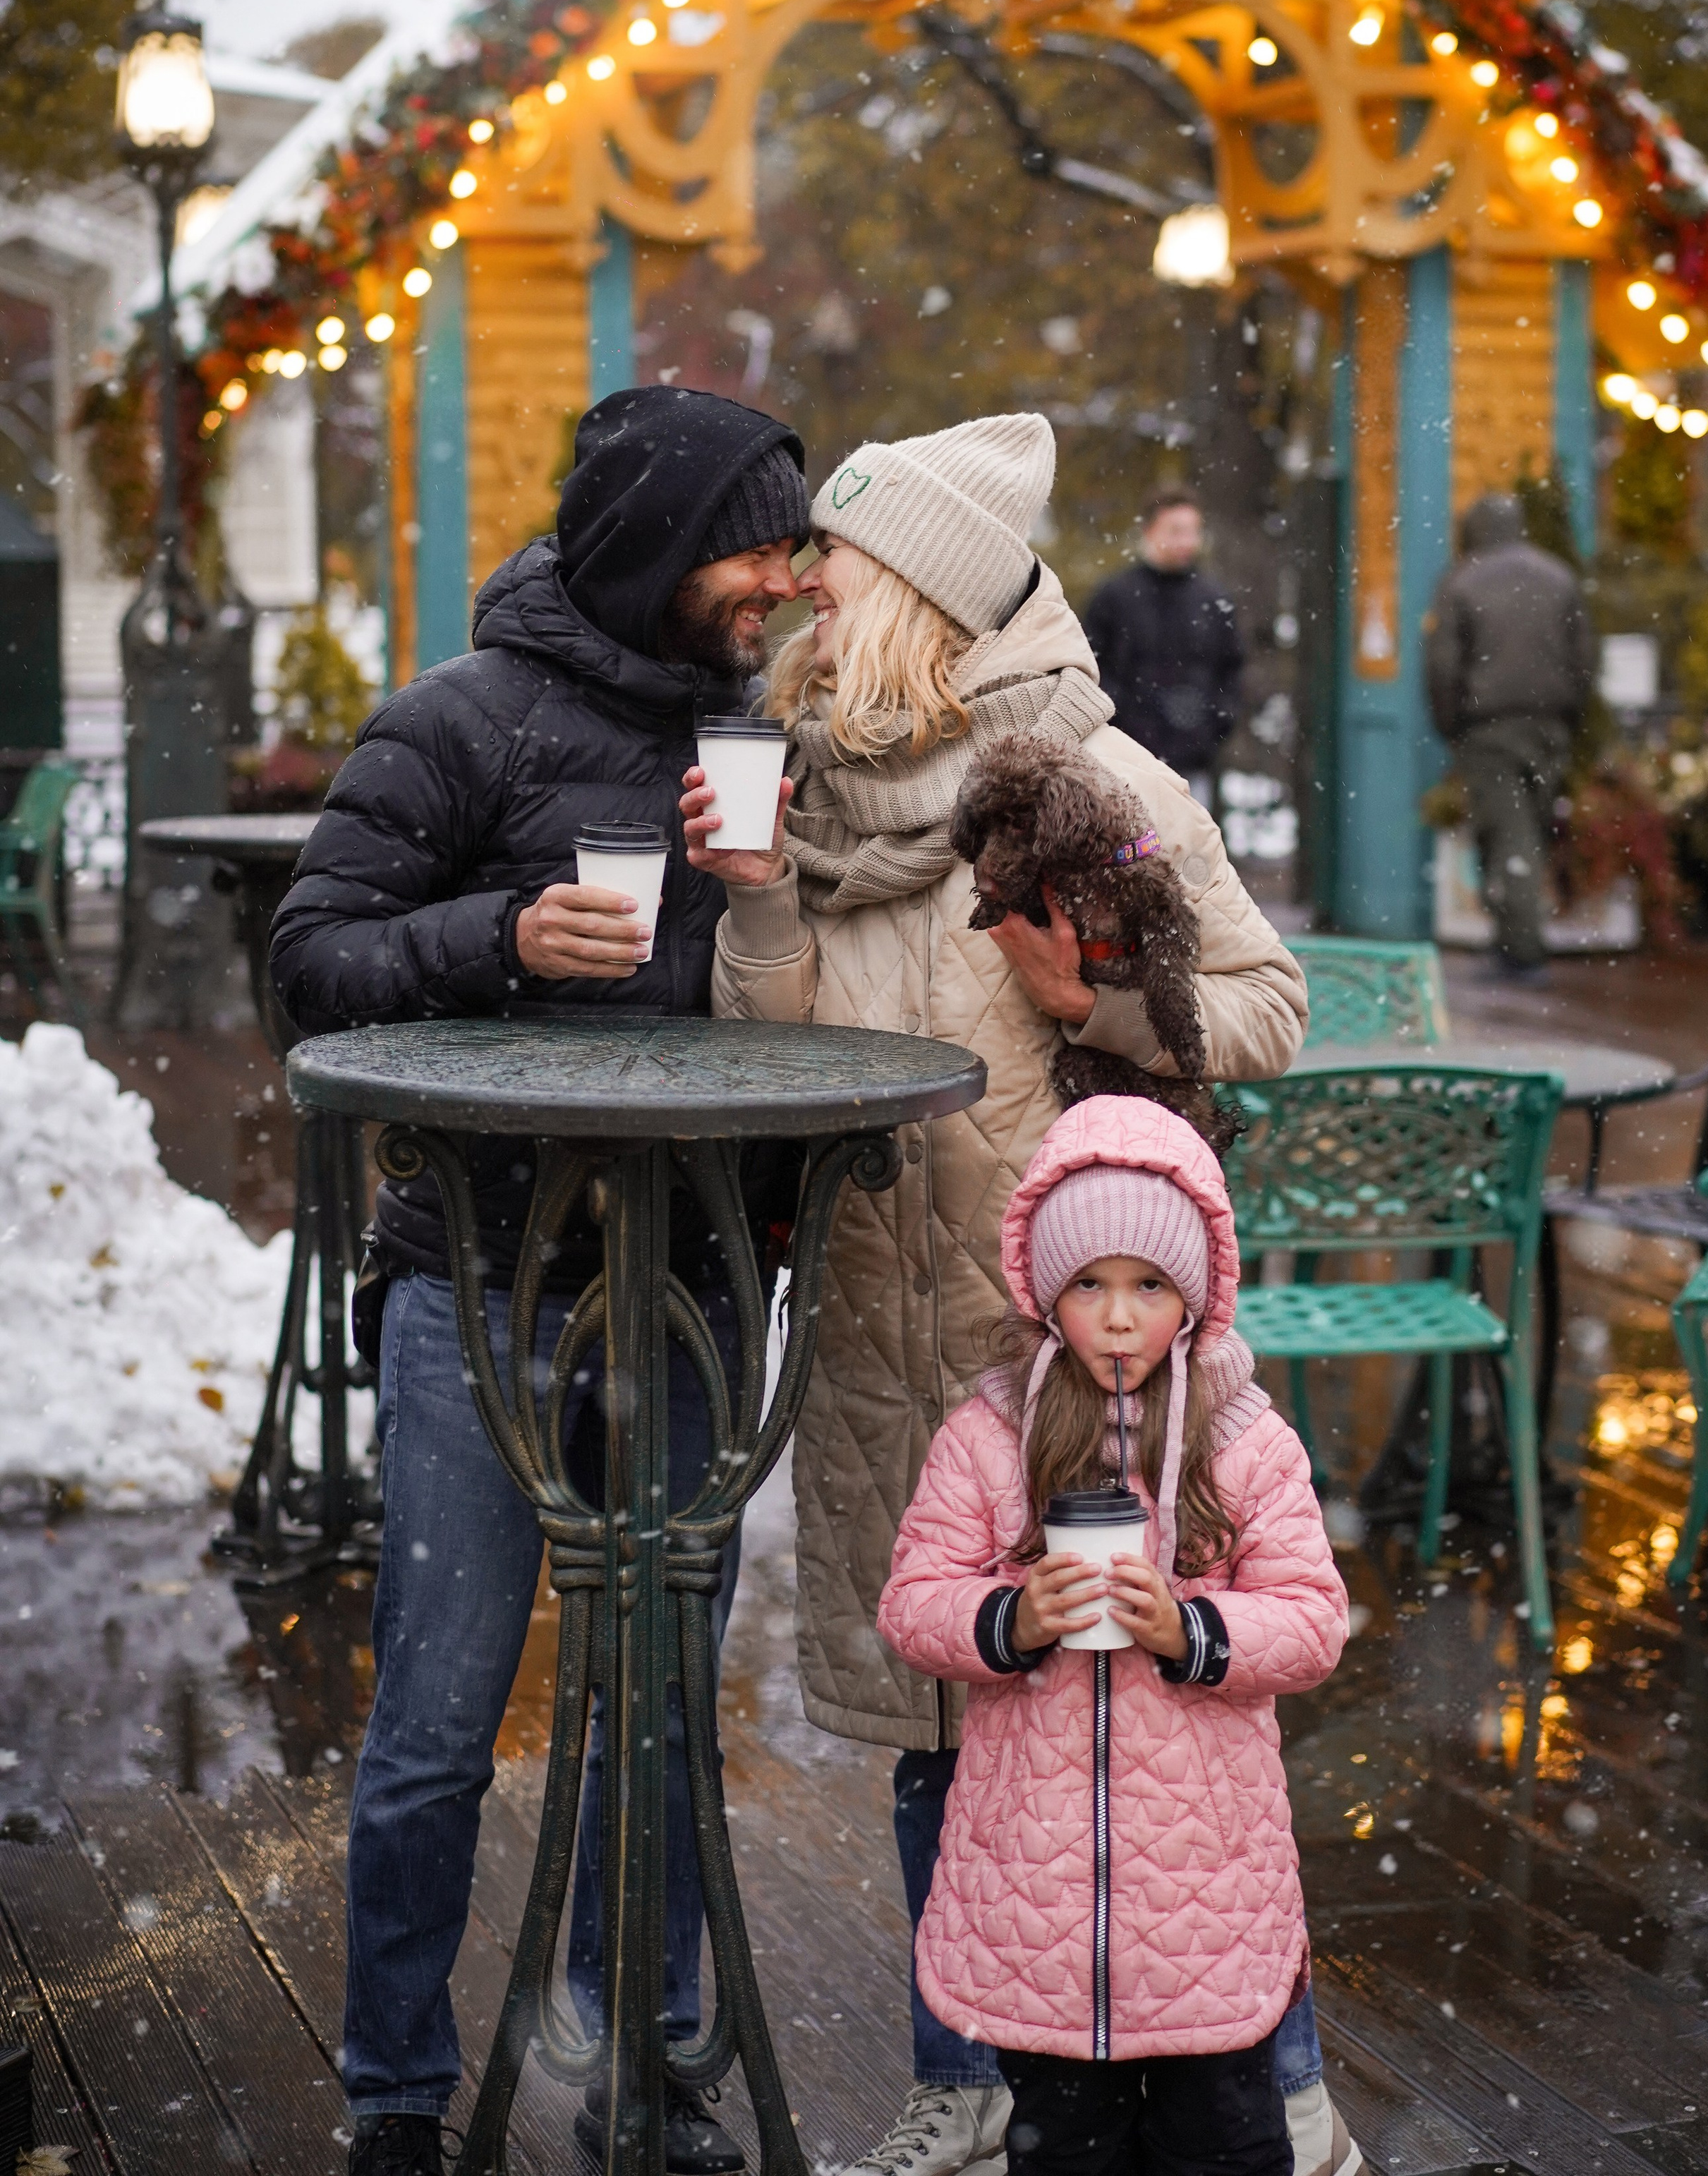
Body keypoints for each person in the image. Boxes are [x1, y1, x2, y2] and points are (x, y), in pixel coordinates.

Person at [681, 415, 1352, 2176]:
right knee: (941, 1728)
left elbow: (1267, 1003)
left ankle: (1272, 2071)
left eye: (838, 556)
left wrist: (1093, 1005)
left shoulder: (1091, 783)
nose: (806, 584)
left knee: (1169, 1731)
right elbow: (773, 1063)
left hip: (1081, 1355)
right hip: (878, 1334)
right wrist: (753, 905)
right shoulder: (800, 790)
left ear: (914, 587)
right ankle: (961, 2074)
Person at [269, 385, 812, 2176]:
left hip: (690, 1298)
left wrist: (764, 895)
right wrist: (493, 938)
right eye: (755, 541)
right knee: (433, 1718)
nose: (783, 576)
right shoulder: (460, 721)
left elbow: (800, 1003)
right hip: (478, 1289)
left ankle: (647, 2062)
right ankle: (398, 2097)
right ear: (656, 545)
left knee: (660, 1715)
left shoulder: (761, 727)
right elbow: (312, 959)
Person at [877, 1094, 1347, 2176]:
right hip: (1034, 1887)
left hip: (1206, 1893)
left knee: (1224, 2143)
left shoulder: (1243, 1442)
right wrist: (1010, 1617)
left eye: (1149, 1285)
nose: (1121, 1317)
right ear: (1048, 1293)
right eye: (1090, 1284)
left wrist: (1194, 1630)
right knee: (1067, 2149)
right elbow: (915, 1599)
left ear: (1194, 1296)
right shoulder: (991, 1432)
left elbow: (1313, 1619)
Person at [1424, 492, 1594, 979]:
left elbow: (1442, 668)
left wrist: (1450, 724)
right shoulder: (1558, 577)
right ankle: (1516, 939)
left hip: (1490, 727)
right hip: (1550, 726)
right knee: (1532, 830)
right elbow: (1584, 658)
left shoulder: (1461, 582)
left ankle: (1521, 951)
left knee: (1508, 834)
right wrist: (1568, 715)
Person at [1082, 488, 1244, 808]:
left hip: (1194, 764)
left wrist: (1213, 724)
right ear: (1149, 530)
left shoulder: (1214, 599)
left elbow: (1232, 669)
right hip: (1125, 763)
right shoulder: (1114, 598)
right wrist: (1123, 721)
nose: (1187, 542)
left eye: (1193, 531)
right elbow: (1090, 668)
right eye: (1176, 531)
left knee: (1191, 852)